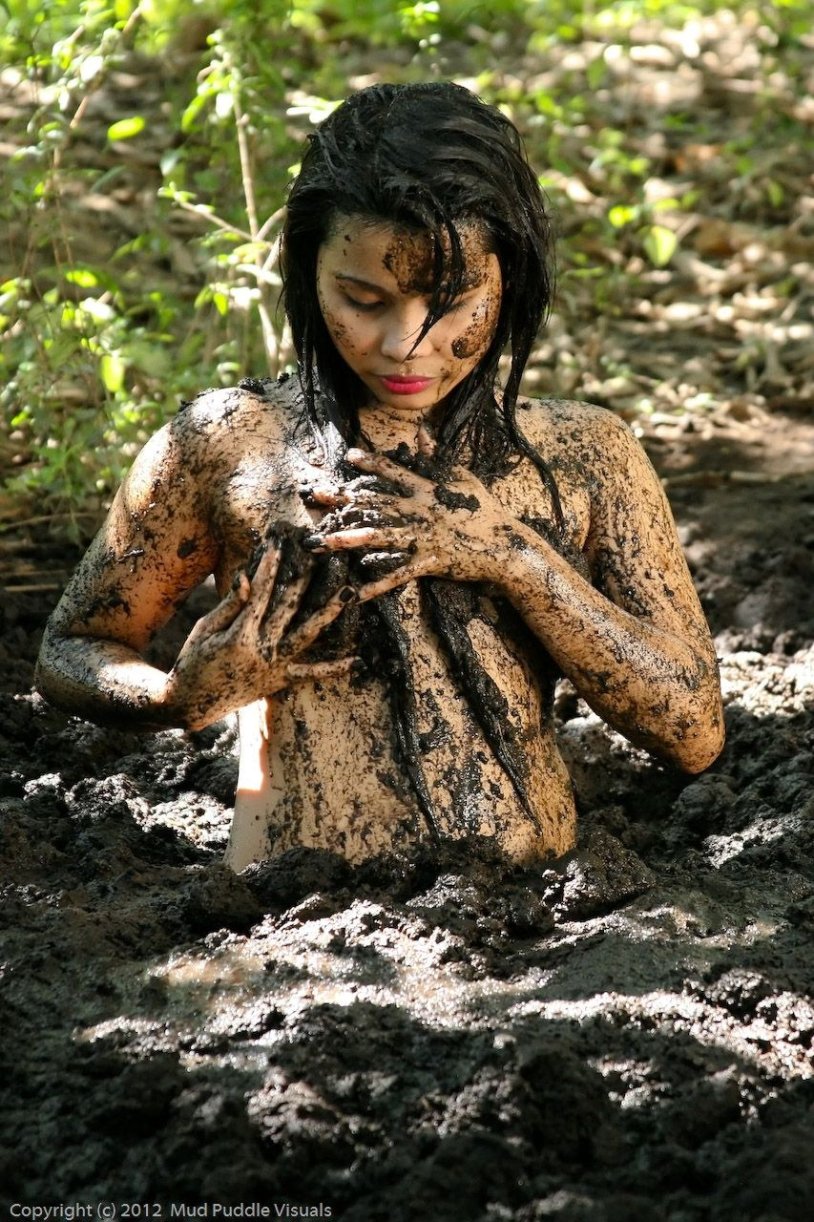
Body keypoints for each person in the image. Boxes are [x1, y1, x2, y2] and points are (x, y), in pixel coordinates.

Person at [35, 82, 724, 872]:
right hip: (287, 921)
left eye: (453, 302)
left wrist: (518, 559)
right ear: (308, 272)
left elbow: (695, 730)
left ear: (512, 280)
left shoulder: (584, 455)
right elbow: (73, 647)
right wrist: (176, 697)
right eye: (363, 299)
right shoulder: (227, 443)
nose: (406, 345)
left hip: (542, 916)